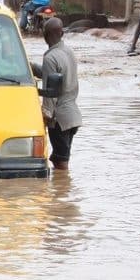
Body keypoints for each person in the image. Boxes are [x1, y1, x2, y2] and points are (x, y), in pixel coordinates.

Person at [38, 18, 82, 171]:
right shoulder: (68, 52)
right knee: (61, 159)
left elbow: (50, 92)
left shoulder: (50, 58)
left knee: (61, 166)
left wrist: (46, 115)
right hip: (73, 117)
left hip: (59, 120)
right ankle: (64, 192)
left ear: (44, 35)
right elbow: (59, 76)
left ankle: (62, 190)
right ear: (62, 33)